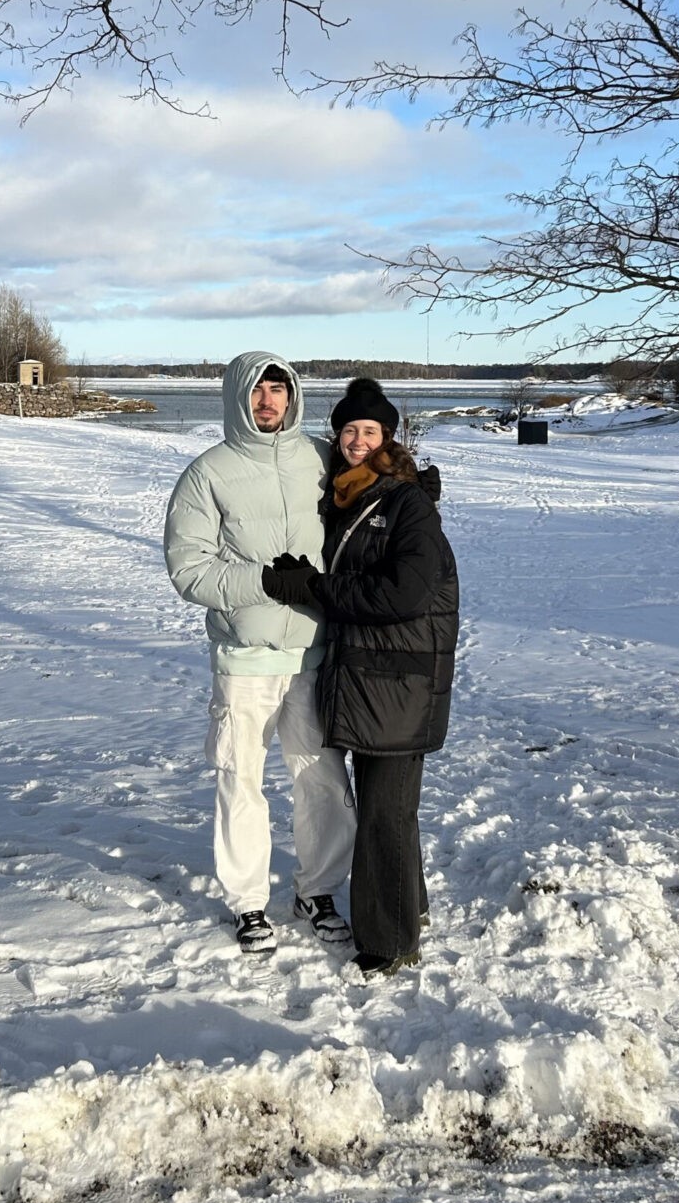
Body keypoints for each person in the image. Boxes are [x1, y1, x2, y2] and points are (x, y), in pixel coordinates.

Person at [261, 377, 458, 978]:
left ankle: (387, 942)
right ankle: (410, 909)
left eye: (369, 431)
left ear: (387, 438)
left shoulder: (404, 504)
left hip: (399, 680)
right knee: (390, 808)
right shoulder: (353, 499)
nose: (356, 440)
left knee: (383, 815)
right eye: (348, 430)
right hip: (371, 679)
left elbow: (403, 592)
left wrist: (317, 589)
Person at [164, 352, 357, 957]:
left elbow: (371, 485)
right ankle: (249, 902)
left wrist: (410, 486)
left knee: (322, 781)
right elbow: (188, 569)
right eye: (258, 391)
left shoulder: (320, 459)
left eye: (279, 390)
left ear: (293, 396)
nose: (269, 401)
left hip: (313, 653)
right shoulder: (207, 474)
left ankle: (318, 891)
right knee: (241, 781)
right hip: (245, 660)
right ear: (237, 397)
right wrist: (266, 583)